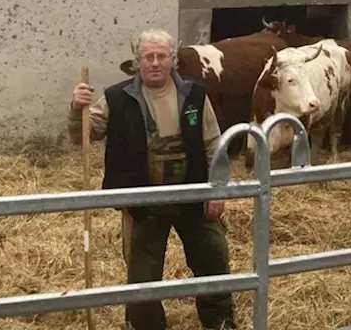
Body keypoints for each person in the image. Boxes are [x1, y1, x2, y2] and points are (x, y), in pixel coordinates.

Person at [69, 29, 235, 330]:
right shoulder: (117, 98)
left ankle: (219, 323)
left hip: (193, 195)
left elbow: (214, 143)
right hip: (143, 201)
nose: (155, 63)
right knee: (142, 275)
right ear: (137, 62)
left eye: (162, 56)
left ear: (173, 60)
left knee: (213, 262)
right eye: (148, 56)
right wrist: (76, 109)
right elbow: (84, 134)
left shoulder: (195, 94)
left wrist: (218, 188)